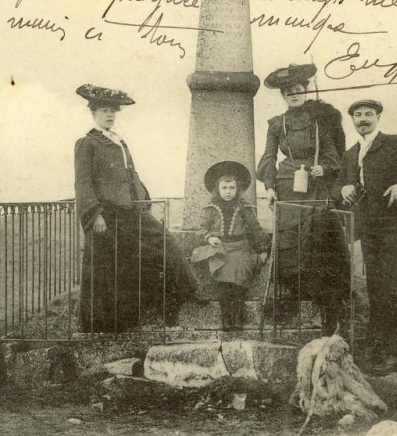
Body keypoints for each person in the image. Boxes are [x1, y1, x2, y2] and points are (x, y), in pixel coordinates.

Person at [74, 83, 207, 332]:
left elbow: (131, 175)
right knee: (111, 269)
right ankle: (105, 325)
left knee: (165, 241)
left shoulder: (119, 142)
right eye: (104, 111)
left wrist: (144, 200)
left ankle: (187, 291)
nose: (110, 115)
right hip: (106, 217)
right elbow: (83, 183)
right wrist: (95, 215)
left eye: (113, 111)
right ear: (93, 113)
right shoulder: (87, 143)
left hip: (131, 212)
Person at [332, 99, 397, 373]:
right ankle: (378, 349)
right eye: (358, 115)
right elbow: (336, 187)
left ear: (378, 117)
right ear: (352, 120)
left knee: (389, 288)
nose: (363, 119)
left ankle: (393, 352)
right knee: (376, 288)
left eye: (369, 114)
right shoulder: (351, 154)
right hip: (369, 230)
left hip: (396, 227)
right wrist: (343, 188)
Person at [256, 64, 349, 333]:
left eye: (298, 90)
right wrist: (269, 187)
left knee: (317, 238)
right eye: (289, 92)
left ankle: (328, 305)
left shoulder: (319, 120)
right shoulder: (277, 124)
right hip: (287, 183)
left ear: (306, 92)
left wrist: (325, 167)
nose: (294, 95)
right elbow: (268, 156)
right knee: (290, 240)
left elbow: (333, 153)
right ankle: (294, 296)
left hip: (316, 186)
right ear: (283, 96)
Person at [191, 161, 270, 331]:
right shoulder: (210, 209)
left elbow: (256, 229)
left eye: (232, 188)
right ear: (217, 189)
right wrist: (209, 238)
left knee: (239, 283)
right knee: (224, 284)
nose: (228, 191)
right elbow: (201, 230)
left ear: (238, 189)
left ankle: (238, 319)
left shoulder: (245, 208)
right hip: (220, 249)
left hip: (240, 249)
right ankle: (226, 319)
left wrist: (264, 249)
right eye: (224, 188)